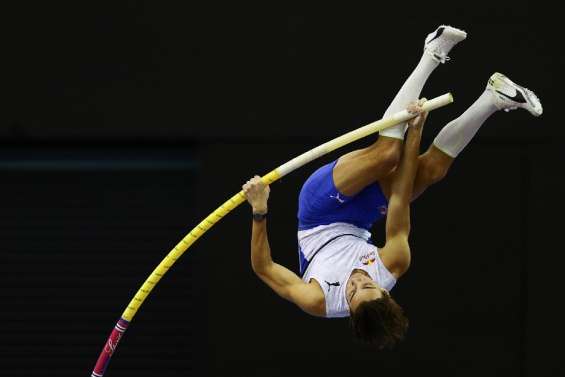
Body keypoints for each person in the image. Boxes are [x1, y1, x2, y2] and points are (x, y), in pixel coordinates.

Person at [242, 25, 542, 349]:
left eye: (352, 292)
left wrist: (260, 211)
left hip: (319, 211)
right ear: (384, 290)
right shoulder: (394, 264)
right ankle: (493, 98)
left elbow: (264, 267)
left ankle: (431, 53)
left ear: (348, 309)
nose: (356, 281)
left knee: (386, 155)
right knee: (431, 171)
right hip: (358, 218)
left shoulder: (318, 299)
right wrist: (416, 130)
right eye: (366, 285)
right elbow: (400, 197)